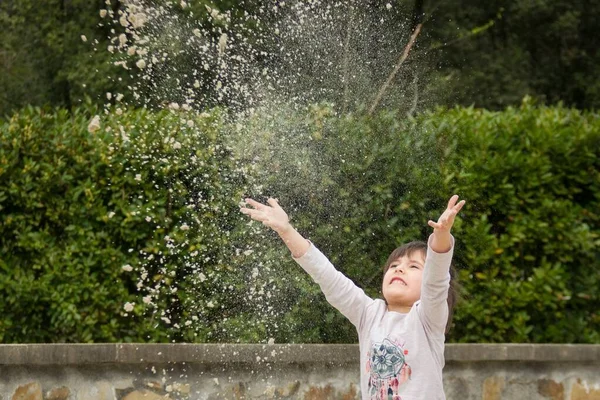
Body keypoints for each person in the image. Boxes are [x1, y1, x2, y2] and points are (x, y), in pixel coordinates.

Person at [240, 194, 465, 400]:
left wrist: (441, 237)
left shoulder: (428, 319)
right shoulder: (369, 314)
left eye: (413, 266)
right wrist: (286, 230)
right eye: (394, 265)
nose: (399, 269)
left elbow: (436, 281)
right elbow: (328, 277)